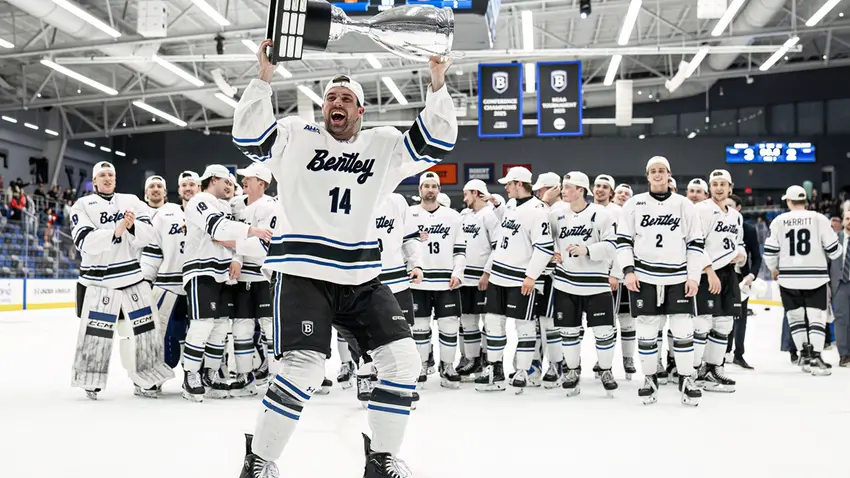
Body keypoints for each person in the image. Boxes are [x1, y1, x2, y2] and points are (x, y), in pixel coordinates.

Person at [231, 38, 456, 477]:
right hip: (302, 274)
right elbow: (247, 136)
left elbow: (436, 143)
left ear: (360, 111)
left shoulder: (383, 144)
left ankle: (381, 459)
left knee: (404, 362)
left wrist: (437, 79)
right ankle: (259, 462)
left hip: (361, 276)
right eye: (330, 97)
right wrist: (264, 75)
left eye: (347, 99)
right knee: (304, 368)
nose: (336, 102)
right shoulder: (296, 135)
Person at [69, 161, 173, 400]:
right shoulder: (82, 205)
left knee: (137, 334)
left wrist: (132, 225)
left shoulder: (132, 202)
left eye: (111, 175)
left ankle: (142, 378)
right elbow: (84, 241)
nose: (107, 178)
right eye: (102, 175)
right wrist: (115, 232)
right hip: (97, 283)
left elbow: (149, 236)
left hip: (130, 278)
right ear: (94, 181)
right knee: (95, 336)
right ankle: (91, 378)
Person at [616, 156, 704, 406]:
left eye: (661, 171)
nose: (657, 174)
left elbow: (696, 244)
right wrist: (628, 271)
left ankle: (687, 379)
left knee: (683, 328)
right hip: (644, 276)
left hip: (677, 276)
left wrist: (694, 277)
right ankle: (650, 378)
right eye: (652, 171)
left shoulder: (684, 204)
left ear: (669, 174)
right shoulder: (634, 204)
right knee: (646, 327)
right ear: (647, 175)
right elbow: (623, 242)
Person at [180, 164, 272, 402]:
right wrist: (252, 230)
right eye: (227, 182)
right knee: (202, 325)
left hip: (224, 275)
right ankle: (190, 374)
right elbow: (217, 228)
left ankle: (209, 373)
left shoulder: (227, 205)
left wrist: (235, 259)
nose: (231, 186)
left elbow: (235, 231)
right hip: (201, 270)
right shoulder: (199, 201)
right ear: (213, 180)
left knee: (220, 328)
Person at [339, 190, 423, 405]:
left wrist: (416, 264)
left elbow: (409, 238)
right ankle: (365, 375)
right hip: (363, 279)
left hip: (396, 279)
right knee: (363, 332)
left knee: (404, 332)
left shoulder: (397, 201)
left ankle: (403, 382)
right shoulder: (350, 198)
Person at [474, 166, 553, 393]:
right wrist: (496, 202)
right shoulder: (510, 204)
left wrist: (531, 276)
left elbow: (544, 248)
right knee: (493, 323)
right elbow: (509, 222)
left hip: (520, 279)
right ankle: (495, 369)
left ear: (519, 184)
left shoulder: (539, 211)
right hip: (499, 276)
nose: (505, 187)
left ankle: (522, 371)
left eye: (509, 183)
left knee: (525, 326)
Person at [550, 171, 618, 397]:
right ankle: (572, 371)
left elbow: (612, 246)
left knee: (604, 331)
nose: (563, 190)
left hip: (596, 285)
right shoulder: (557, 213)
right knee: (568, 331)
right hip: (565, 283)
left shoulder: (602, 214)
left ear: (581, 190)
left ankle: (606, 370)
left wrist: (587, 250)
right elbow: (543, 239)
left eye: (568, 186)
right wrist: (553, 253)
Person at [764, 185, 841, 375]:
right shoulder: (819, 219)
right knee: (816, 317)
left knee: (795, 317)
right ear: (805, 200)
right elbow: (834, 250)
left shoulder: (779, 220)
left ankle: (804, 355)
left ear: (789, 201)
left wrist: (774, 269)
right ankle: (815, 356)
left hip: (788, 277)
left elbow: (770, 251)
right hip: (815, 276)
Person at [139, 171, 200, 397]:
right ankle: (152, 378)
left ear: (199, 187)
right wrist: (145, 281)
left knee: (197, 336)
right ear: (178, 189)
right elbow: (153, 252)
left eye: (192, 184)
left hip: (199, 286)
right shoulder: (166, 215)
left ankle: (193, 375)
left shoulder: (210, 213)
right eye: (183, 184)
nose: (188, 188)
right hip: (168, 286)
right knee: (160, 335)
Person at [409, 171, 465, 388]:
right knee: (420, 327)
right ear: (420, 189)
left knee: (449, 326)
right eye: (426, 186)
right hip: (418, 281)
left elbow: (460, 250)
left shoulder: (453, 216)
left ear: (439, 190)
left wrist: (458, 272)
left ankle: (447, 365)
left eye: (434, 186)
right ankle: (421, 365)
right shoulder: (410, 215)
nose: (430, 190)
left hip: (446, 281)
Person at [227, 163, 279, 396]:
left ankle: (276, 379)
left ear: (262, 183)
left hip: (264, 276)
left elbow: (264, 246)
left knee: (270, 328)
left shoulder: (270, 207)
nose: (244, 180)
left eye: (249, 177)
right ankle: (244, 375)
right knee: (241, 328)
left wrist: (231, 244)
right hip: (240, 277)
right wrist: (236, 254)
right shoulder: (236, 205)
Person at [692, 170, 746, 392]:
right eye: (714, 184)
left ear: (730, 187)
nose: (719, 188)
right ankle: (694, 371)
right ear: (710, 187)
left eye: (723, 184)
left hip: (729, 272)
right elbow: (696, 243)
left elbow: (738, 243)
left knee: (724, 323)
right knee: (702, 323)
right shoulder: (701, 210)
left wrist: (741, 255)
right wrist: (709, 271)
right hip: (707, 274)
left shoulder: (735, 215)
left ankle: (714, 368)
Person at [457, 179, 499, 381]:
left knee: (487, 321)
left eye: (466, 193)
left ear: (475, 193)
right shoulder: (464, 215)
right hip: (464, 278)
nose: (464, 198)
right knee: (467, 320)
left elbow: (497, 246)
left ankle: (487, 359)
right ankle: (471, 358)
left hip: (482, 278)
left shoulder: (490, 215)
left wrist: (487, 273)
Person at [595, 175, 637, 379]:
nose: (600, 190)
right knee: (601, 324)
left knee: (623, 320)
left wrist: (615, 273)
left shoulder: (618, 213)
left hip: (614, 279)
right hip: (592, 277)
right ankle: (603, 361)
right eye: (598, 186)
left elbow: (623, 246)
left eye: (605, 187)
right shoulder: (588, 210)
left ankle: (626, 359)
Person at [533, 172, 565, 387]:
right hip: (536, 272)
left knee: (549, 322)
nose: (537, 192)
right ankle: (534, 363)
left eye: (542, 189)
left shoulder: (561, 210)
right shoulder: (540, 207)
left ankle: (557, 364)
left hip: (554, 274)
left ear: (554, 189)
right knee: (533, 322)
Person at [726, 194, 762, 369]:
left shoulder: (748, 229)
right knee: (721, 317)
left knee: (740, 317)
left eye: (731, 205)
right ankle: (721, 354)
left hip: (741, 278)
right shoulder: (716, 226)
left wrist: (751, 275)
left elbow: (756, 256)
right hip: (721, 276)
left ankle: (738, 354)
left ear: (738, 208)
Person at [829, 210, 850, 367]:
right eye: (848, 219)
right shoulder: (834, 240)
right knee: (841, 320)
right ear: (843, 221)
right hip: (840, 283)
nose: (849, 222)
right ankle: (844, 355)